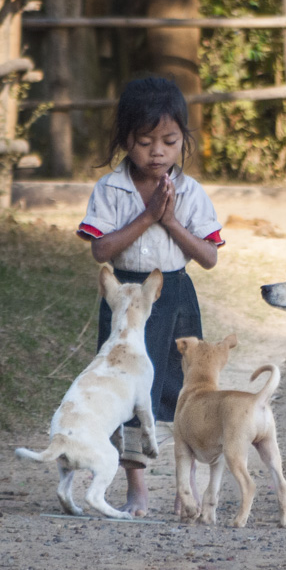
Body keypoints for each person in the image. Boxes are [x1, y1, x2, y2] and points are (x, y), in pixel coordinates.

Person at [77, 75, 223, 516]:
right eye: (144, 141)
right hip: (125, 301)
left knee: (182, 394)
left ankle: (186, 487)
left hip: (176, 296)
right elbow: (101, 249)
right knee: (126, 394)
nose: (157, 151)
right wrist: (147, 217)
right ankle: (137, 488)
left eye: (169, 140)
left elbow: (210, 257)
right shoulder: (110, 190)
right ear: (125, 140)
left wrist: (172, 221)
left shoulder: (192, 193)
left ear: (183, 140)